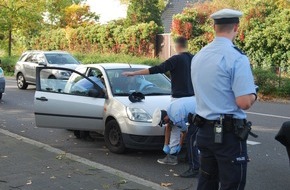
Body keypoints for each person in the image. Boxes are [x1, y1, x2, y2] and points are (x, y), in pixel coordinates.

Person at [191, 9, 257, 190]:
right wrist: (253, 94)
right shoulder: (236, 57)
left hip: (204, 130)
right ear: (236, 27)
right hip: (227, 136)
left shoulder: (199, 55)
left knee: (206, 181)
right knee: (232, 184)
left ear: (214, 27)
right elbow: (243, 102)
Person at [122, 36, 194, 99]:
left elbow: (157, 69)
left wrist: (134, 73)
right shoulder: (194, 58)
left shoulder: (176, 59)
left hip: (179, 98)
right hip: (193, 98)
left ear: (177, 46)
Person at [153, 97, 200, 176]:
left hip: (199, 112)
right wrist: (166, 144)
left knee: (190, 140)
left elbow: (184, 132)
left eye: (163, 122)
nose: (164, 124)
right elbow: (168, 127)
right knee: (191, 139)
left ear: (165, 118)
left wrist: (180, 146)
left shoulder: (175, 116)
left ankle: (194, 168)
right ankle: (189, 158)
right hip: (196, 107)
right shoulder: (168, 110)